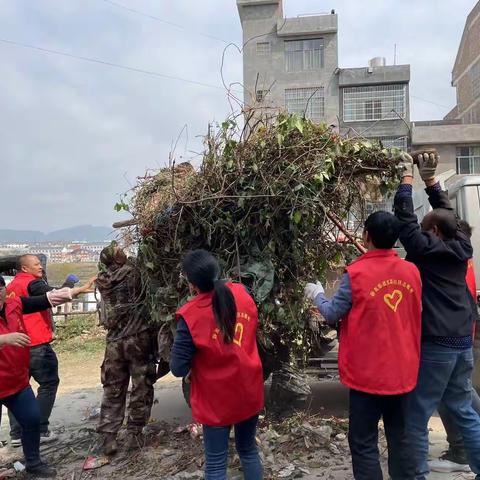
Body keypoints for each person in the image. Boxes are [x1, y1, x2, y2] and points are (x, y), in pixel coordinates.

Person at [304, 211, 422, 480]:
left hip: (367, 376)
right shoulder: (412, 272)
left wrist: (317, 294)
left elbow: (332, 313)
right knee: (401, 439)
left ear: (366, 236)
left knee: (364, 442)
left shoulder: (355, 274)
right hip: (404, 371)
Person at [394, 151, 480, 479]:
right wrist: (430, 182)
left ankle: (415, 475)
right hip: (461, 342)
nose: (424, 233)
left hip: (437, 345)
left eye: (428, 229)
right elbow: (449, 217)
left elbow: (405, 224)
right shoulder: (462, 246)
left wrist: (405, 181)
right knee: (463, 410)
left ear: (435, 235)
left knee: (416, 416)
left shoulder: (428, 252)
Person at [170, 249, 264, 480]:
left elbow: (178, 368)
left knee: (215, 464)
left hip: (216, 400)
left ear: (192, 284)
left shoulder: (191, 315)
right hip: (248, 389)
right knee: (249, 451)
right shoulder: (242, 294)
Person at [0, 274, 95, 478]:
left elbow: (46, 299)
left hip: (16, 381)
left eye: (0, 288)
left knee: (33, 419)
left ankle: (33, 463)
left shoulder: (14, 304)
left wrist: (75, 291)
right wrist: (5, 339)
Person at [6, 254, 79, 446]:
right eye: (36, 264)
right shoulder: (32, 284)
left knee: (19, 388)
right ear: (24, 268)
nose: (40, 267)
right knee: (48, 383)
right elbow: (53, 295)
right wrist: (71, 285)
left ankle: (16, 434)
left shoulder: (11, 286)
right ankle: (39, 428)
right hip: (36, 343)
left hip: (17, 344)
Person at [95, 244, 157, 455]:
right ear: (117, 258)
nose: (123, 250)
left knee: (113, 388)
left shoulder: (102, 281)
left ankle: (109, 437)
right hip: (137, 339)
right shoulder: (132, 273)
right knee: (141, 385)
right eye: (119, 250)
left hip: (113, 343)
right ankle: (134, 433)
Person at [429, 219, 480, 473]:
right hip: (461, 335)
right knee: (460, 396)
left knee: (454, 398)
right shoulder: (462, 258)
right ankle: (464, 449)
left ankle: (461, 451)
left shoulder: (449, 260)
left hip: (449, 339)